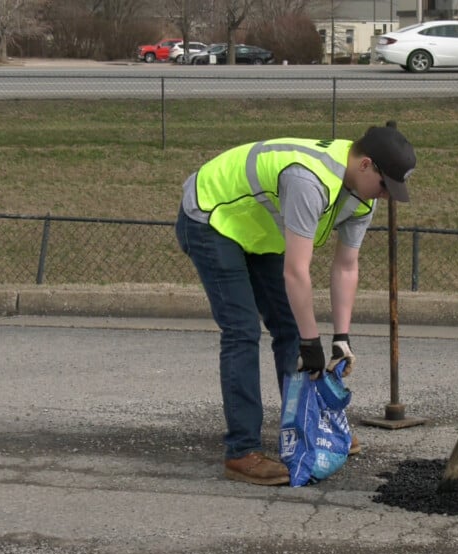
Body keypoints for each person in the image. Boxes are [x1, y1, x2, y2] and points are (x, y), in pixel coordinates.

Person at [174, 122, 417, 486]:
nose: (385, 196)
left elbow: (346, 266)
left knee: (290, 328)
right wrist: (311, 343)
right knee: (242, 331)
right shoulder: (310, 180)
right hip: (213, 216)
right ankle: (242, 452)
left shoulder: (362, 196)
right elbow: (297, 272)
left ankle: (306, 429)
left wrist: (341, 338)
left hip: (258, 231)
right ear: (366, 165)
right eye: (385, 186)